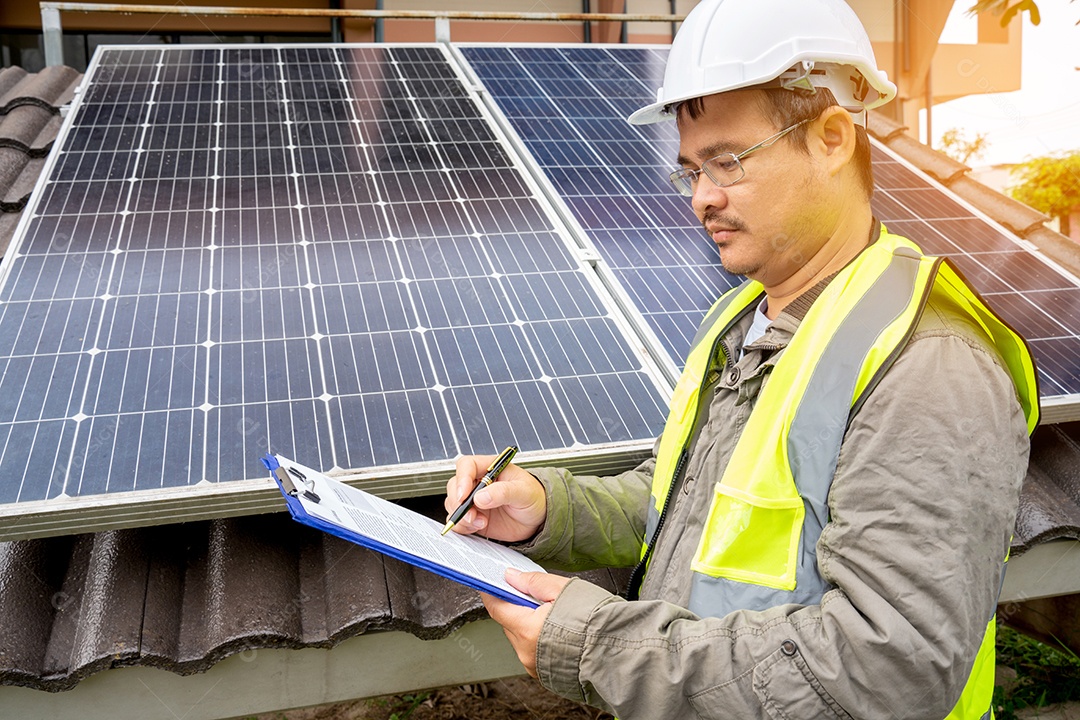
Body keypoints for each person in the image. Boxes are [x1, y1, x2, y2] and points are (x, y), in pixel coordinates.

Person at [444, 0, 1039, 717]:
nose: (703, 198)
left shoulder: (929, 364)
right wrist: (548, 509)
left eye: (727, 161)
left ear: (831, 137)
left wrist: (599, 644)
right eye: (691, 170)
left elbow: (890, 667)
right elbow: (687, 511)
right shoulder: (742, 318)